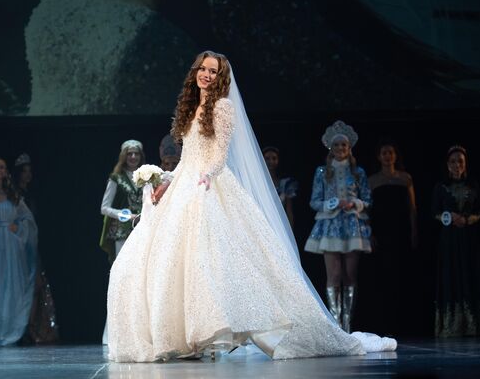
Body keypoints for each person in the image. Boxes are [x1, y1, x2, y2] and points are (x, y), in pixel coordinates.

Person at [106, 50, 396, 362]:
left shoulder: (223, 107)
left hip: (209, 187)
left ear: (221, 78)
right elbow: (188, 158)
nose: (206, 74)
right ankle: (183, 338)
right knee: (168, 261)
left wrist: (204, 180)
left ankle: (252, 328)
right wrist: (166, 179)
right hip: (188, 184)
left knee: (223, 262)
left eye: (213, 71)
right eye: (202, 69)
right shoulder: (191, 108)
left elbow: (218, 155)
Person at [304, 121, 372, 334]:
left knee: (350, 275)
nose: (340, 149)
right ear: (330, 149)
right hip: (330, 225)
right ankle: (336, 324)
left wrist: (355, 204)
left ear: (349, 147)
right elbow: (314, 201)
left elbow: (368, 198)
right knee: (333, 275)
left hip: (352, 225)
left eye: (344, 145)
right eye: (337, 146)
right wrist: (332, 204)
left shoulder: (358, 171)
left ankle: (348, 323)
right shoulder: (322, 171)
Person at [431, 145, 480, 337]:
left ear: (465, 164)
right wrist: (450, 217)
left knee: (471, 273)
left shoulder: (473, 185)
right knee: (452, 275)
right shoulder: (441, 186)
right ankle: (452, 325)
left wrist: (467, 219)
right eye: (453, 161)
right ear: (447, 165)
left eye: (460, 161)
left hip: (469, 238)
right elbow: (434, 211)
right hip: (450, 239)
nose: (456, 165)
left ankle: (475, 324)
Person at [358, 140, 417, 336]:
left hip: (401, 232)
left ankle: (403, 323)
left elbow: (412, 209)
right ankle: (385, 325)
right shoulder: (372, 180)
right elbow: (367, 209)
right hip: (381, 233)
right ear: (378, 157)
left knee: (402, 276)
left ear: (395, 155)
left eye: (390, 152)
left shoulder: (405, 178)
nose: (387, 156)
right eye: (384, 152)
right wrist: (370, 233)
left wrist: (414, 231)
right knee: (383, 277)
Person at [99, 140, 144, 345]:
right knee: (122, 279)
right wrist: (124, 215)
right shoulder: (116, 178)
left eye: (136, 154)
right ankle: (115, 332)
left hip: (142, 231)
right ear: (124, 156)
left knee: (140, 280)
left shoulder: (145, 177)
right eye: (130, 154)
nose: (133, 157)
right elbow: (104, 207)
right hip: (122, 233)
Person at [12, 153, 59, 344]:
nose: (28, 175)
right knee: (22, 287)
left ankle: (31, 328)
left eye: (29, 171)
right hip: (17, 245)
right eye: (24, 171)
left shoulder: (30, 194)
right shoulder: (14, 194)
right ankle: (21, 328)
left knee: (35, 286)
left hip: (32, 245)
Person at [0, 157, 38, 346]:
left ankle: (10, 329)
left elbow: (28, 219)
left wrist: (17, 229)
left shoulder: (13, 196)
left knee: (11, 287)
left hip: (11, 247)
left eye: (2, 168)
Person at [262, 146, 298, 230]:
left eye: (274, 158)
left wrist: (290, 231)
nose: (271, 161)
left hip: (279, 223)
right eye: (267, 158)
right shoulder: (257, 182)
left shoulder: (286, 184)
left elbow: (289, 210)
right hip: (262, 221)